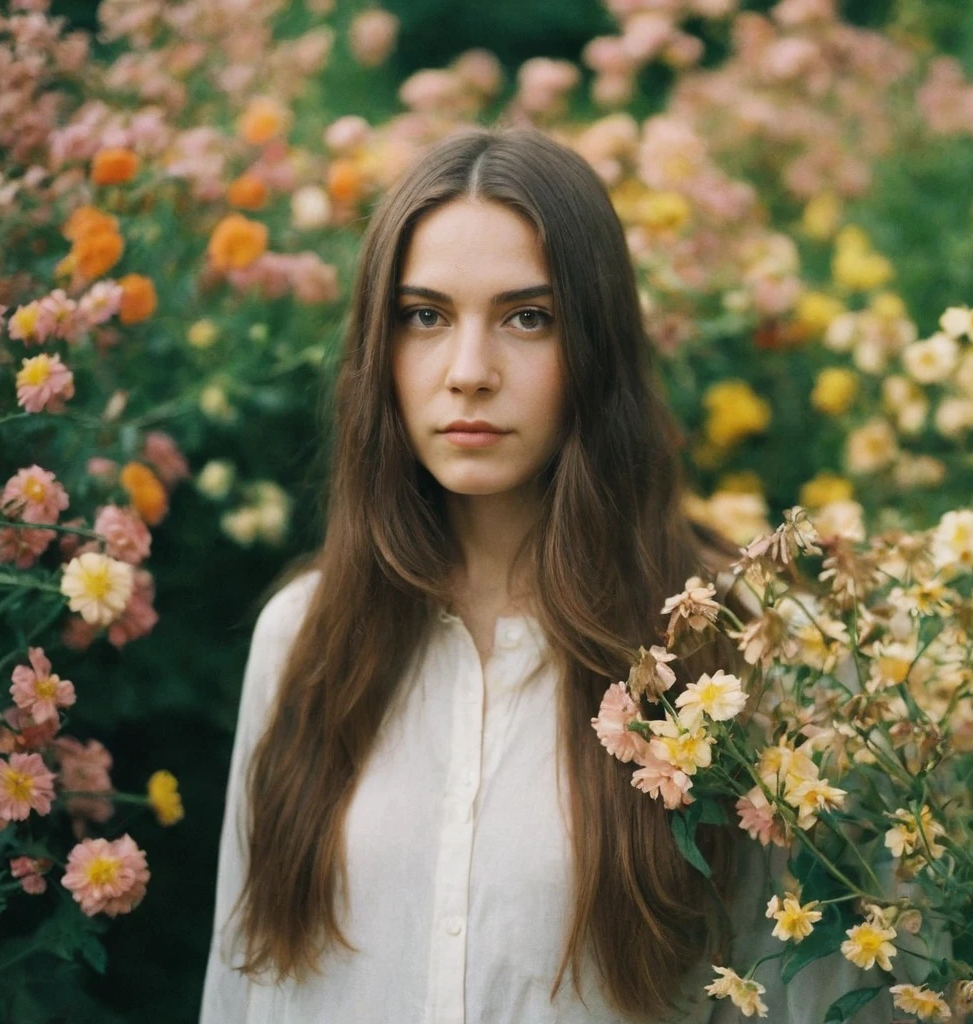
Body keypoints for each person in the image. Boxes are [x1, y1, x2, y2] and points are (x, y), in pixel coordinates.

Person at [199, 125, 905, 1023]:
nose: (468, 373)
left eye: (527, 318)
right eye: (425, 317)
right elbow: (246, 986)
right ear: (379, 346)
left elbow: (823, 996)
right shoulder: (301, 637)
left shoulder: (745, 655)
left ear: (597, 343)